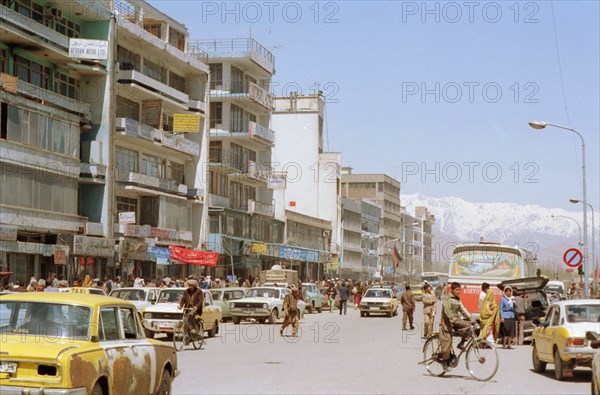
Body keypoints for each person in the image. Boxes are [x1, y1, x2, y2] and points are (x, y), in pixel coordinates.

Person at [439, 282, 473, 371]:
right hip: (446, 322)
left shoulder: (458, 299)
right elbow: (447, 310)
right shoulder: (446, 298)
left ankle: (462, 343)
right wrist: (451, 317)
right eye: (457, 290)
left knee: (469, 326)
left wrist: (471, 318)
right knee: (448, 341)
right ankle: (444, 361)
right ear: (452, 290)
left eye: (459, 290)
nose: (459, 292)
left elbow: (463, 309)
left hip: (456, 321)